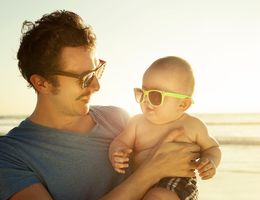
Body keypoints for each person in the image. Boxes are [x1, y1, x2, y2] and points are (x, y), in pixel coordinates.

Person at [0, 10, 201, 200]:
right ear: (41, 83)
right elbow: (157, 168)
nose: (97, 86)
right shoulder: (9, 156)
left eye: (97, 71)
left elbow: (178, 177)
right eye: (85, 78)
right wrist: (150, 172)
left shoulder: (119, 119)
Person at [109, 56, 222, 200]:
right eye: (142, 93)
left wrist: (210, 162)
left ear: (183, 105)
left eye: (156, 96)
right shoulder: (136, 123)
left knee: (158, 197)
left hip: (176, 184)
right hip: (141, 181)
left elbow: (212, 148)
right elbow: (121, 142)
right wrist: (117, 153)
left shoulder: (192, 125)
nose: (146, 101)